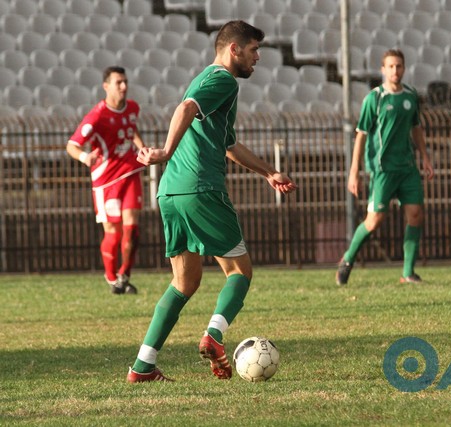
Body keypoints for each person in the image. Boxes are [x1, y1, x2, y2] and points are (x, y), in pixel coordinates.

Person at [127, 20, 297, 383]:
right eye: (253, 50)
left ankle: (142, 366)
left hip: (171, 194)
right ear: (234, 49)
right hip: (201, 189)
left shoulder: (216, 86)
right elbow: (185, 108)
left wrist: (269, 172)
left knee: (184, 282)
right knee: (240, 272)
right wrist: (166, 151)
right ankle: (215, 336)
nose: (258, 57)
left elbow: (229, 144)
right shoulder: (222, 79)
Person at [336, 49, 434, 286]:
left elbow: (416, 128)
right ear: (383, 70)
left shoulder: (411, 96)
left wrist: (425, 157)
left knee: (416, 215)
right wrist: (354, 172)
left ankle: (408, 272)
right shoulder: (375, 98)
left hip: (407, 168)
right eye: (390, 66)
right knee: (374, 220)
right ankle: (347, 259)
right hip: (382, 169)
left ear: (404, 68)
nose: (395, 70)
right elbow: (360, 136)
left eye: (399, 66)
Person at [66, 66, 145, 295]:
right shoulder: (97, 116)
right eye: (118, 82)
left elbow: (131, 129)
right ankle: (111, 277)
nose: (124, 86)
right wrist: (84, 157)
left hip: (130, 171)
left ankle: (124, 275)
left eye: (125, 81)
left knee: (132, 229)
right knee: (114, 232)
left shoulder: (132, 108)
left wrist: (142, 148)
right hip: (106, 181)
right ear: (106, 86)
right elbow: (72, 145)